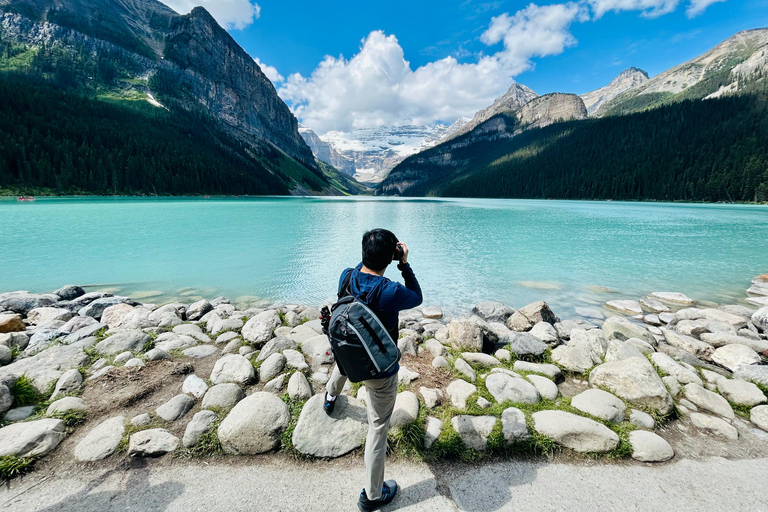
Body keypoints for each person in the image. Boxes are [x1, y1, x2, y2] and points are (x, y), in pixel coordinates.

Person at [324, 228, 423, 512]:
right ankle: (373, 496)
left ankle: (330, 399)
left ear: (363, 253)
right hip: (380, 371)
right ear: (391, 257)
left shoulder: (346, 275)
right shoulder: (390, 292)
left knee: (343, 363)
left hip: (348, 355)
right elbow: (416, 296)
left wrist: (377, 256)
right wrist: (404, 264)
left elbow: (361, 272)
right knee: (377, 428)